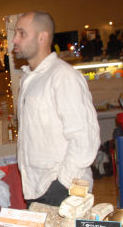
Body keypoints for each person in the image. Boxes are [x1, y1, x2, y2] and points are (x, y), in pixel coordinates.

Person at [12, 11, 100, 206]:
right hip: (38, 187)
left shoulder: (62, 77)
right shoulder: (30, 78)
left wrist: (62, 185)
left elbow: (84, 137)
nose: (15, 40)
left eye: (21, 33)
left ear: (42, 37)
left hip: (61, 189)